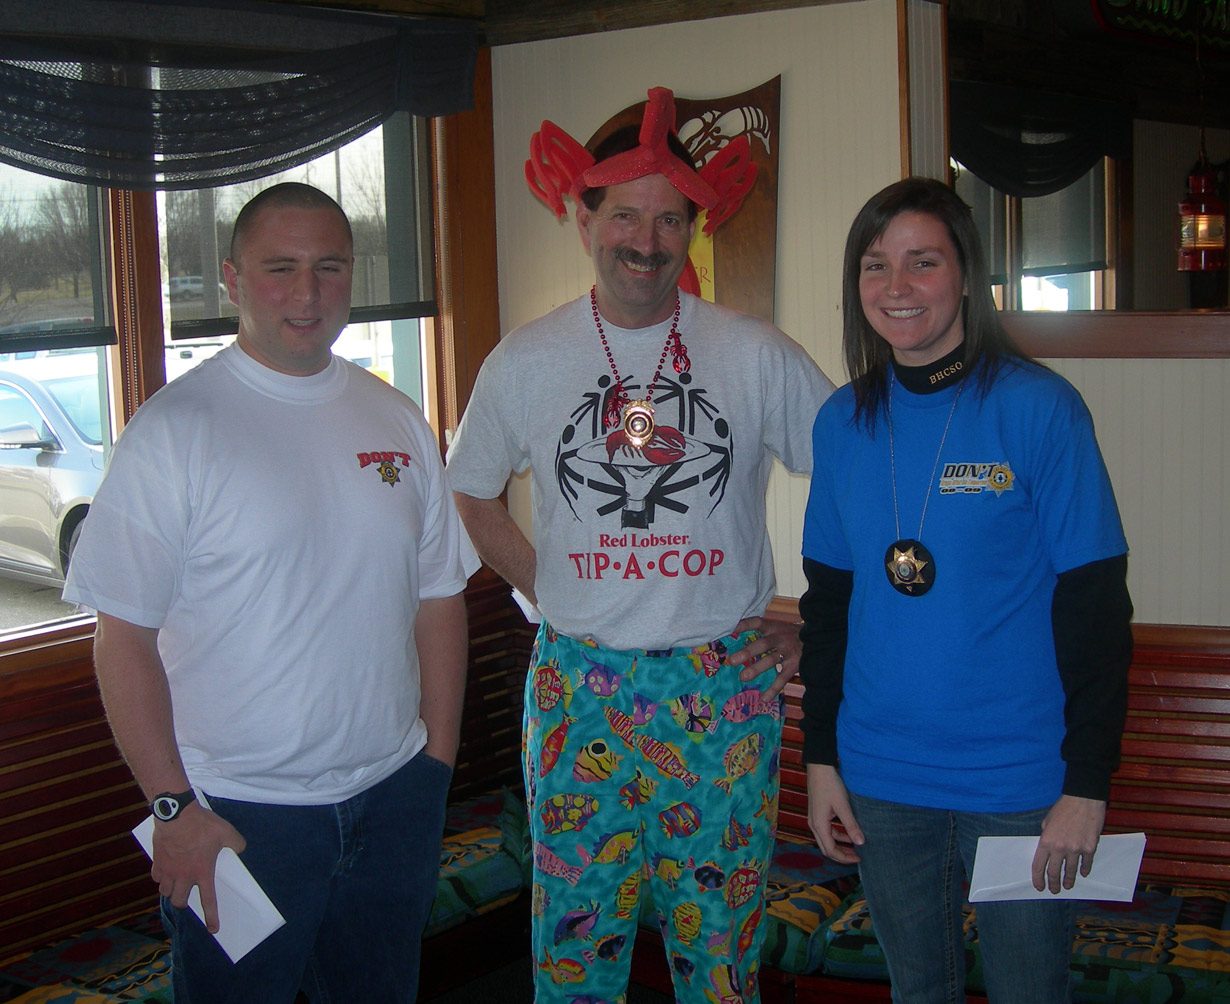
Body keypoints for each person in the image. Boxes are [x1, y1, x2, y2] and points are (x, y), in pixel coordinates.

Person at [447, 87, 834, 1004]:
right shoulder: (526, 360)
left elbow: (859, 481)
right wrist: (555, 592)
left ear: (692, 230)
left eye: (670, 220)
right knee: (576, 953)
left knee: (721, 957)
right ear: (585, 219)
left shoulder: (754, 352)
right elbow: (470, 490)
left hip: (721, 683)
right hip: (578, 688)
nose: (646, 241)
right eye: (625, 214)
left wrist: (820, 621)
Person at [62, 182, 474, 1004]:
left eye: (329, 267)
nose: (307, 292)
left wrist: (435, 766)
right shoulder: (176, 432)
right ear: (231, 279)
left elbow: (438, 600)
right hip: (241, 822)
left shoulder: (396, 420)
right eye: (280, 268)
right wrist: (174, 808)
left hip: (392, 797)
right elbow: (122, 638)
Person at [799, 176, 1134, 1004]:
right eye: (876, 267)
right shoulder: (842, 422)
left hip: (1022, 786)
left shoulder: (1040, 410)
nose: (897, 288)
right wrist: (821, 761)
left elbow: (1096, 609)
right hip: (882, 779)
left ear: (966, 276)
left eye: (923, 262)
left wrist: (1086, 785)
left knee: (1029, 992)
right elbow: (828, 608)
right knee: (921, 993)